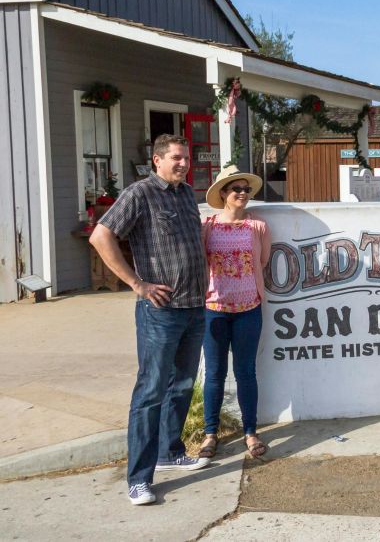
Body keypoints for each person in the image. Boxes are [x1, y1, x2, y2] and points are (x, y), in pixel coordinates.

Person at [90, 134, 210, 506]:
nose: (183, 164)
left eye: (186, 158)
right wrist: (137, 284)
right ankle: (139, 479)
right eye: (176, 158)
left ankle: (169, 451)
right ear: (156, 161)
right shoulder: (139, 194)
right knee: (150, 391)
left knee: (182, 385)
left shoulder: (186, 194)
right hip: (160, 312)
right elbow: (100, 235)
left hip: (193, 308)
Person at [197, 166, 271, 462]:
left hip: (248, 309)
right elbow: (201, 261)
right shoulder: (207, 226)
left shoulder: (258, 227)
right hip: (213, 309)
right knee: (214, 374)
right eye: (235, 188)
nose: (242, 193)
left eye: (246, 189)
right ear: (223, 194)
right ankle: (210, 433)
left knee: (246, 372)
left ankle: (250, 431)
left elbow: (262, 261)